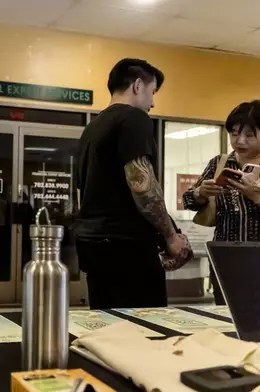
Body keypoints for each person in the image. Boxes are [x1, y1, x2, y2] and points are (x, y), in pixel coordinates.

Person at [74, 58, 192, 309]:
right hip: (127, 247)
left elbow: (81, 192)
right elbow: (142, 185)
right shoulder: (133, 118)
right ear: (138, 85)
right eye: (152, 92)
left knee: (107, 330)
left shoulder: (92, 129)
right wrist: (171, 237)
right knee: (143, 334)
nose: (153, 102)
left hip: (94, 245)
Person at [183, 100, 260, 305]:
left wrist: (255, 196)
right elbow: (188, 200)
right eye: (234, 133)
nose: (239, 141)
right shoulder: (220, 162)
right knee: (225, 315)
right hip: (225, 258)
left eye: (249, 135)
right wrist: (201, 193)